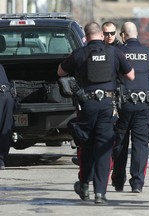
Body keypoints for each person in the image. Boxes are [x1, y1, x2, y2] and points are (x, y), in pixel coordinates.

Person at [58, 22, 134, 204]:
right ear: (101, 34)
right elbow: (131, 75)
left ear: (86, 36)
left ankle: (84, 184)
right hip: (108, 105)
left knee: (86, 146)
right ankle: (100, 193)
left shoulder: (79, 53)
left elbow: (60, 72)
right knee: (104, 149)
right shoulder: (114, 52)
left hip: (86, 106)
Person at [111, 21, 149, 193]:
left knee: (120, 143)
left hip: (122, 106)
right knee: (140, 144)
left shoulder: (118, 52)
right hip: (144, 105)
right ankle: (137, 184)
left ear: (123, 35)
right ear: (136, 35)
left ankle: (118, 182)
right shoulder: (148, 52)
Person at [71, 21, 122, 167]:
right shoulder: (87, 51)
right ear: (101, 34)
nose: (109, 36)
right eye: (106, 34)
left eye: (112, 33)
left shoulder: (117, 51)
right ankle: (90, 164)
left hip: (113, 98)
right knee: (90, 136)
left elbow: (128, 74)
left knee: (109, 138)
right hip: (92, 100)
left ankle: (106, 168)